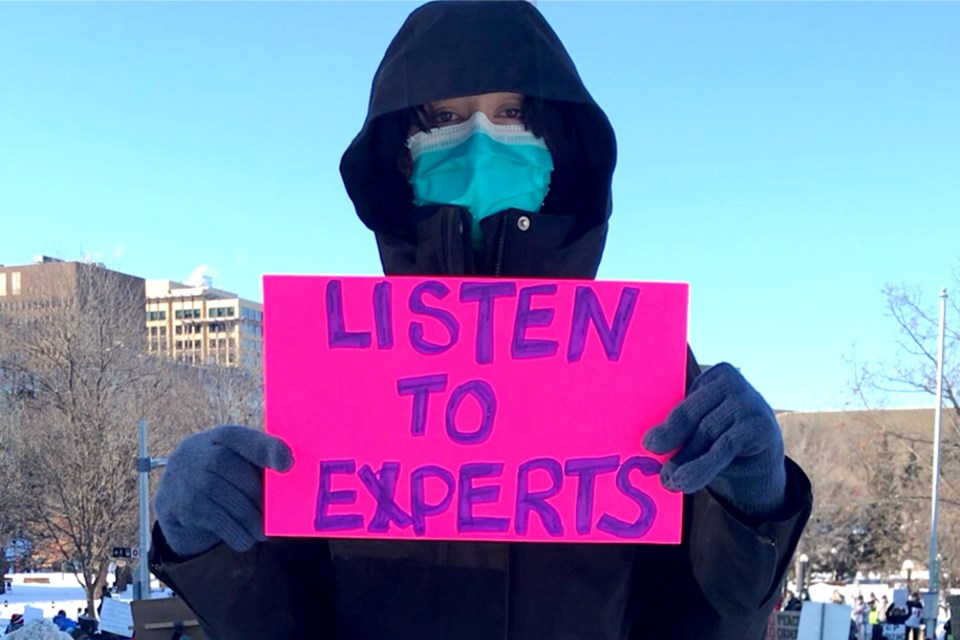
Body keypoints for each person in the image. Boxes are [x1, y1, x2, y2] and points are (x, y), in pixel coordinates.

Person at [148, 2, 812, 639]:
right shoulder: (338, 371)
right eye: (444, 116)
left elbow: (701, 628)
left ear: (558, 143)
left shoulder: (641, 367)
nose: (480, 139)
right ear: (403, 156)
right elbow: (286, 627)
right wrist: (208, 547)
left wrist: (749, 507)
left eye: (512, 113)